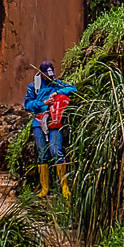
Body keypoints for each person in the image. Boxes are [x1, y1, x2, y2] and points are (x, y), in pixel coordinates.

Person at [23, 60, 76, 199]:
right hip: (39, 121)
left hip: (55, 120)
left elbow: (73, 88)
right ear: (41, 74)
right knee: (42, 154)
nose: (49, 77)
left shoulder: (57, 83)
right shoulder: (34, 86)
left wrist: (57, 92)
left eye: (51, 75)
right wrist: (43, 103)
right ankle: (44, 187)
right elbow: (27, 104)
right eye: (46, 75)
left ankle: (65, 186)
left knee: (56, 150)